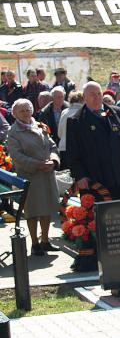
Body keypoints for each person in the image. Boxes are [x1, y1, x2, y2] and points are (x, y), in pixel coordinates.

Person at [7, 99, 60, 256]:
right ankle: (35, 244)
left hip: (47, 173)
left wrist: (54, 160)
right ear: (15, 114)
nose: (26, 113)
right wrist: (37, 164)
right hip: (31, 176)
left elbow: (52, 146)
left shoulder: (39, 125)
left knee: (47, 208)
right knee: (33, 211)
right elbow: (16, 156)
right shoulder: (13, 132)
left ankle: (45, 240)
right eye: (22, 110)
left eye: (28, 109)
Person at [66, 81, 120, 200]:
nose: (97, 97)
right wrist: (79, 175)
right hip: (95, 179)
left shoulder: (117, 113)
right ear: (84, 97)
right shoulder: (76, 121)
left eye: (99, 93)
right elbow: (72, 152)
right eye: (92, 94)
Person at [58, 91, 84, 170]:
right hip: (79, 149)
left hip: (63, 147)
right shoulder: (83, 112)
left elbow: (59, 133)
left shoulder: (64, 112)